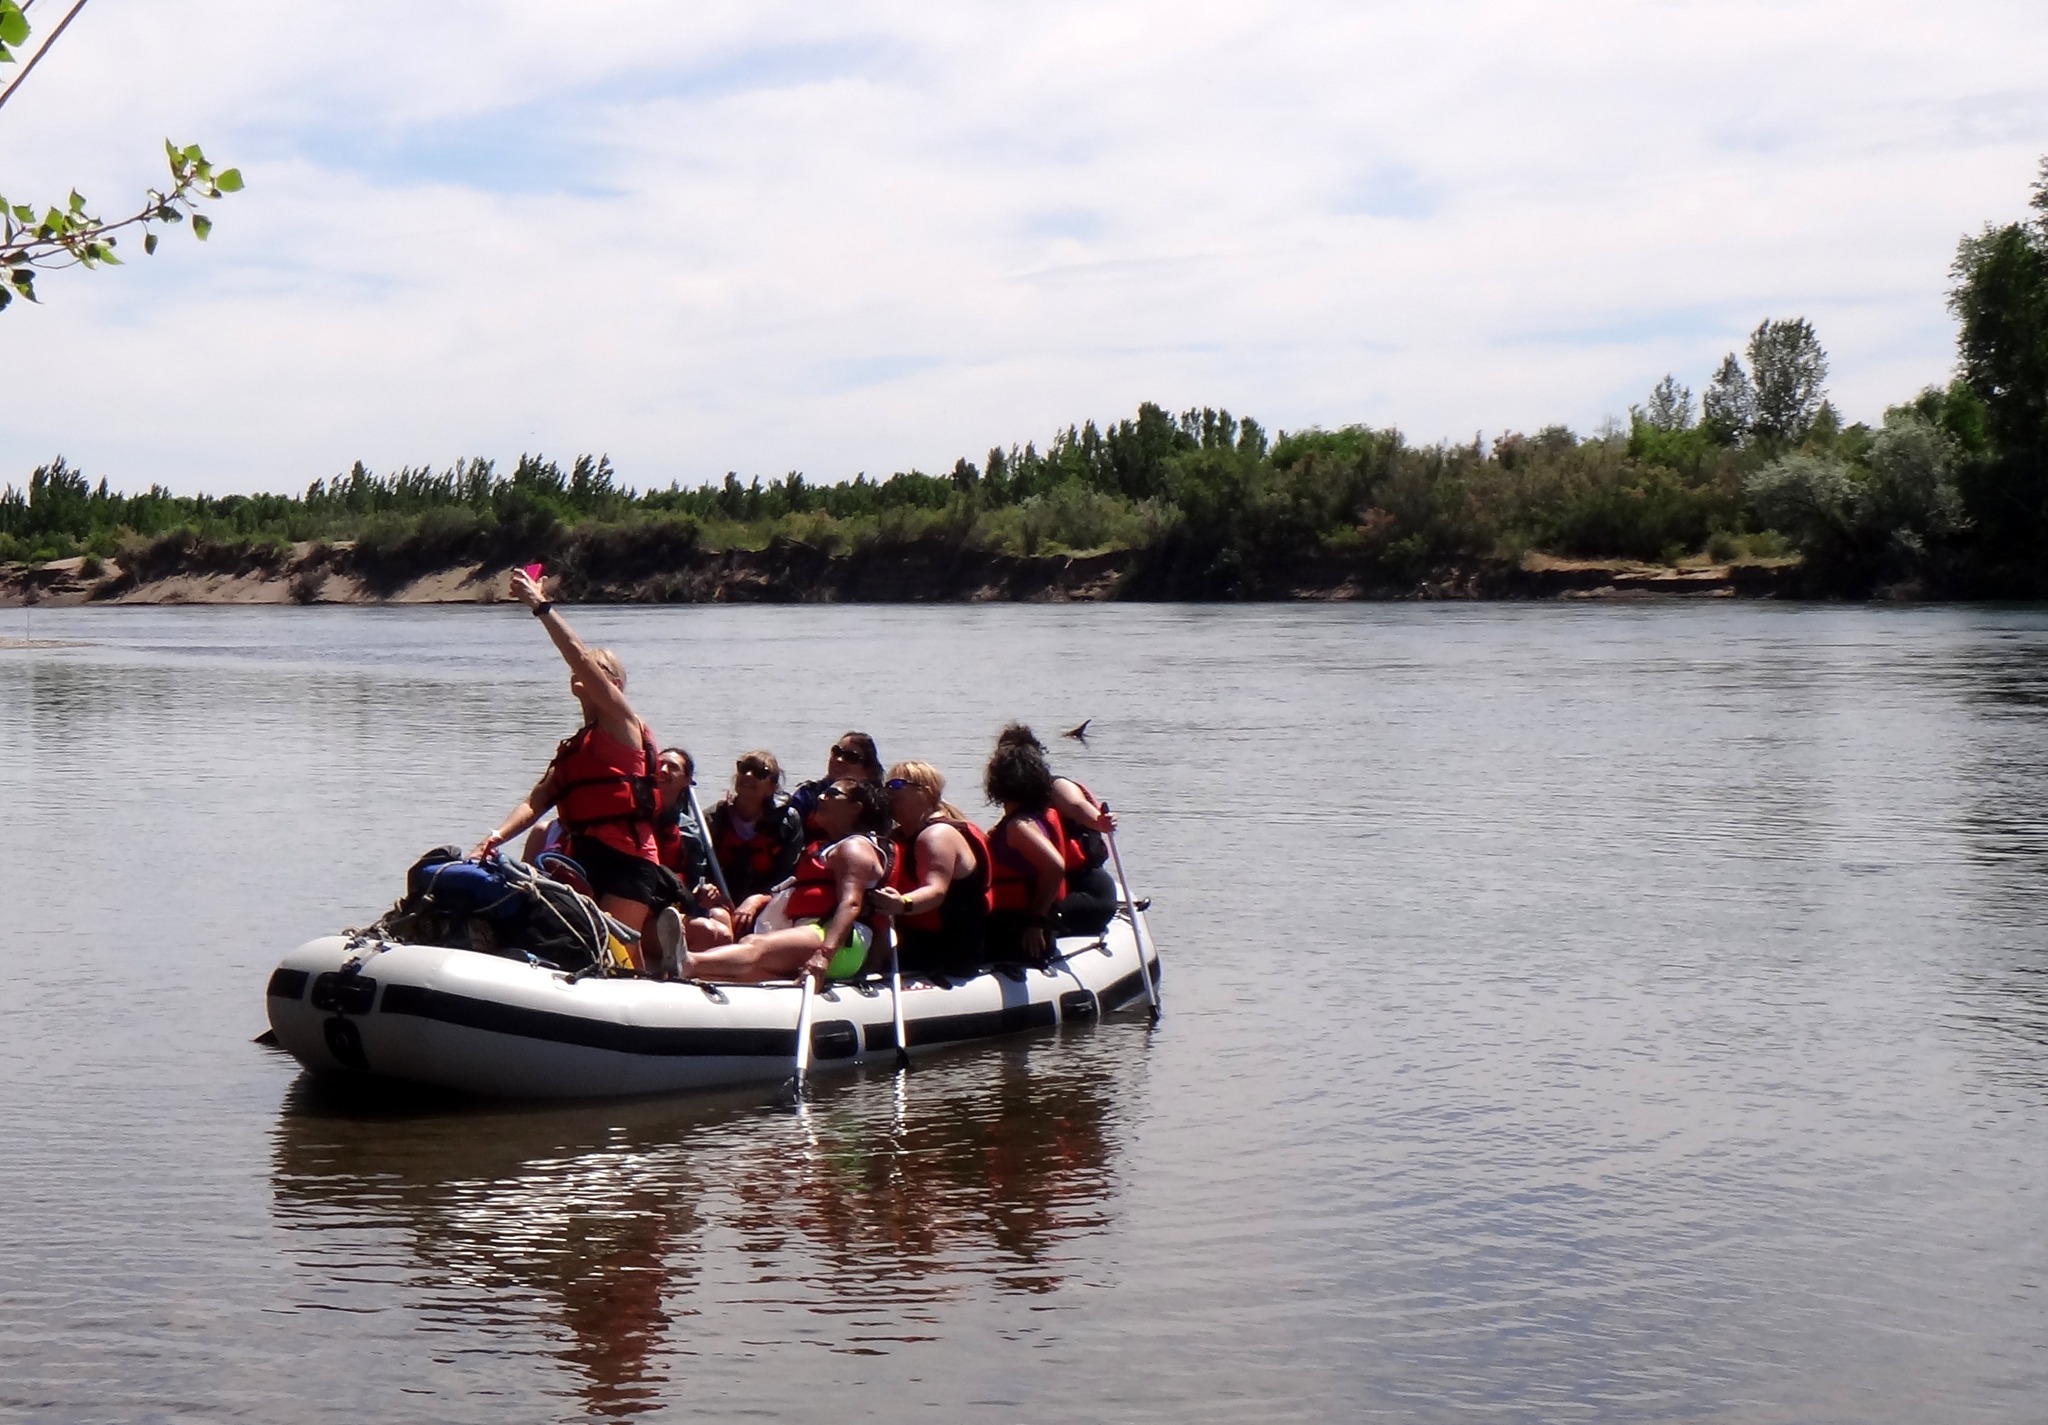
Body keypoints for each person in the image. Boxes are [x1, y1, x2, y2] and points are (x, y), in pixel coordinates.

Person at [469, 569, 676, 968]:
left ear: (612, 683)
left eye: (599, 671)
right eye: (585, 670)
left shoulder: (623, 723)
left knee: (610, 950)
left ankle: (657, 976)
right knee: (569, 944)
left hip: (629, 862)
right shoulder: (572, 749)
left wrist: (540, 606)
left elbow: (578, 656)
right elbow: (537, 800)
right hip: (581, 856)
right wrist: (493, 838)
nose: (584, 672)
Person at [678, 778, 892, 985]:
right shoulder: (827, 847)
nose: (821, 797)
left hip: (839, 942)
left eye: (833, 794)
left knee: (754, 945)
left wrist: (823, 956)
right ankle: (687, 976)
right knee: (745, 970)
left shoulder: (854, 848)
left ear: (855, 808)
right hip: (809, 931)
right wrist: (757, 900)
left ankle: (687, 962)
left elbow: (851, 904)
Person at [868, 761, 991, 977]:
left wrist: (901, 903)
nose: (888, 791)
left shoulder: (937, 835)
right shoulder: (897, 838)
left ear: (924, 793)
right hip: (914, 943)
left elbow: (935, 891)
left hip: (945, 953)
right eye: (886, 785)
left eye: (896, 785)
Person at [996, 724, 1119, 934]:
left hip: (1086, 886)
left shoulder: (1055, 787)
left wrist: (1099, 822)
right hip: (1058, 886)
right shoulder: (1019, 799)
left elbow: (1077, 806)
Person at [981, 734, 1067, 965]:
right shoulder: (1031, 817)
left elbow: (1055, 866)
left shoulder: (1020, 827)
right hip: (1017, 925)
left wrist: (1034, 922)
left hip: (1019, 931)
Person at [652, 746, 734, 953]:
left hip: (676, 899)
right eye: (659, 765)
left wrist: (705, 891)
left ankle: (694, 966)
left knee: (722, 919)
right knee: (712, 932)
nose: (663, 770)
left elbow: (695, 879)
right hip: (648, 900)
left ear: (687, 780)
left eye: (673, 767)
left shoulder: (688, 828)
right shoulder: (636, 816)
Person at [705, 750, 806, 903]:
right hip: (721, 900)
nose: (748, 775)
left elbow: (787, 876)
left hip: (768, 902)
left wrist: (758, 901)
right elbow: (701, 869)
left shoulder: (788, 821)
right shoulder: (713, 817)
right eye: (744, 768)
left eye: (759, 772)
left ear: (772, 787)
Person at [788, 731, 884, 825]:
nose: (839, 759)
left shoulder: (877, 805)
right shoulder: (808, 795)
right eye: (837, 752)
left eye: (851, 757)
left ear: (868, 770)